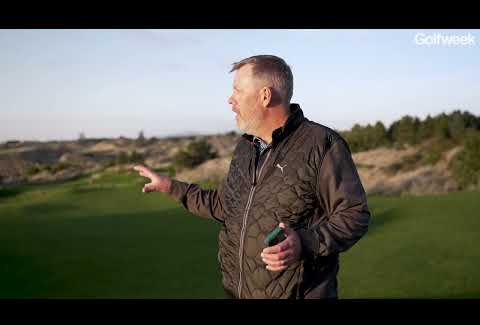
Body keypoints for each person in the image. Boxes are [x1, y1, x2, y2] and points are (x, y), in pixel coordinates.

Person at [133, 55, 370, 299]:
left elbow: (355, 215)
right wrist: (171, 186)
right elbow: (224, 206)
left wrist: (304, 243)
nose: (230, 100)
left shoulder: (322, 144)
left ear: (265, 96)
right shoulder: (245, 147)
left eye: (237, 91)